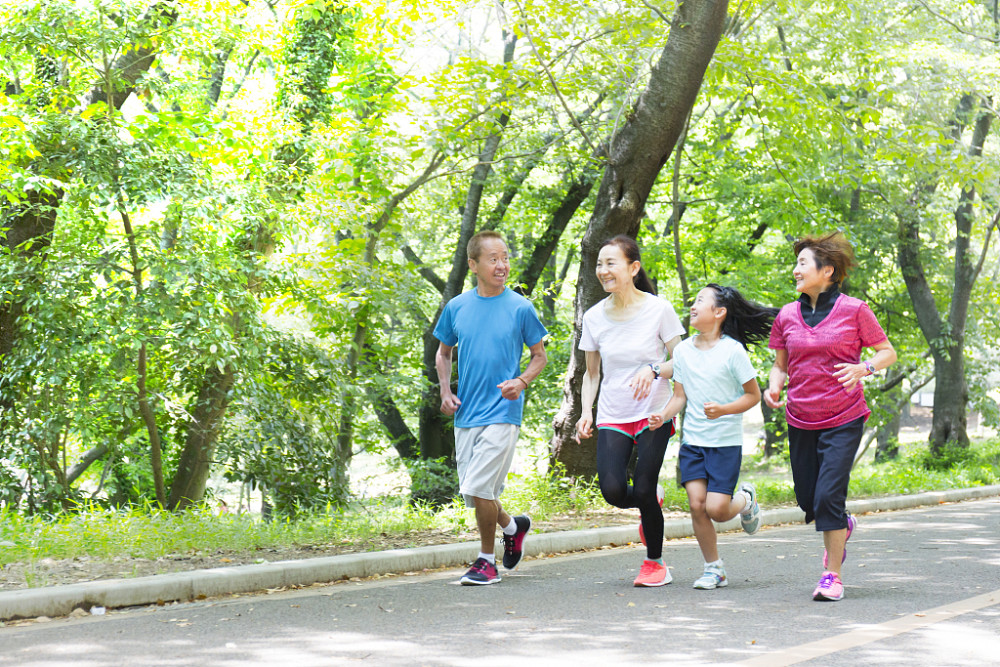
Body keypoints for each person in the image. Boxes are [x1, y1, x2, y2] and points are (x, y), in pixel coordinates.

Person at [764, 231, 897, 601]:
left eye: (802, 264)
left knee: (828, 498)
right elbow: (780, 365)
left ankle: (832, 575)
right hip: (800, 417)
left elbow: (887, 352)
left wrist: (863, 368)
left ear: (827, 271)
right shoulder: (787, 315)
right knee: (809, 501)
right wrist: (773, 386)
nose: (795, 271)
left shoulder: (855, 310)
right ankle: (843, 524)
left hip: (844, 414)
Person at [434, 230, 548, 586]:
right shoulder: (457, 307)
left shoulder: (520, 307)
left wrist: (522, 381)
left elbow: (539, 356)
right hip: (467, 412)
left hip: (503, 410)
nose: (502, 265)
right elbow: (443, 353)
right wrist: (445, 391)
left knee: (480, 487)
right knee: (474, 490)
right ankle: (514, 527)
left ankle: (486, 561)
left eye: (505, 258)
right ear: (474, 264)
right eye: (493, 259)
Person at [649, 284, 776, 590]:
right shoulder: (681, 351)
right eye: (694, 301)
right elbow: (679, 397)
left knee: (717, 510)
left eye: (701, 301)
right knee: (696, 505)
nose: (693, 306)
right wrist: (662, 415)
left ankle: (745, 500)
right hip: (693, 442)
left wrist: (724, 409)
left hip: (725, 445)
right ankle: (713, 568)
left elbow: (752, 396)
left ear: (719, 313)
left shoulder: (733, 352)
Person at [575, 235, 684, 587]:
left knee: (645, 485)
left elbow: (683, 362)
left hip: (655, 411)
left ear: (633, 268)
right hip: (613, 413)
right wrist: (586, 412)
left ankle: (655, 563)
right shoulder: (593, 317)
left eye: (611, 263)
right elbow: (592, 373)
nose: (603, 271)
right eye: (599, 264)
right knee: (612, 490)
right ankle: (649, 501)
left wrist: (653, 369)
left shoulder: (659, 309)